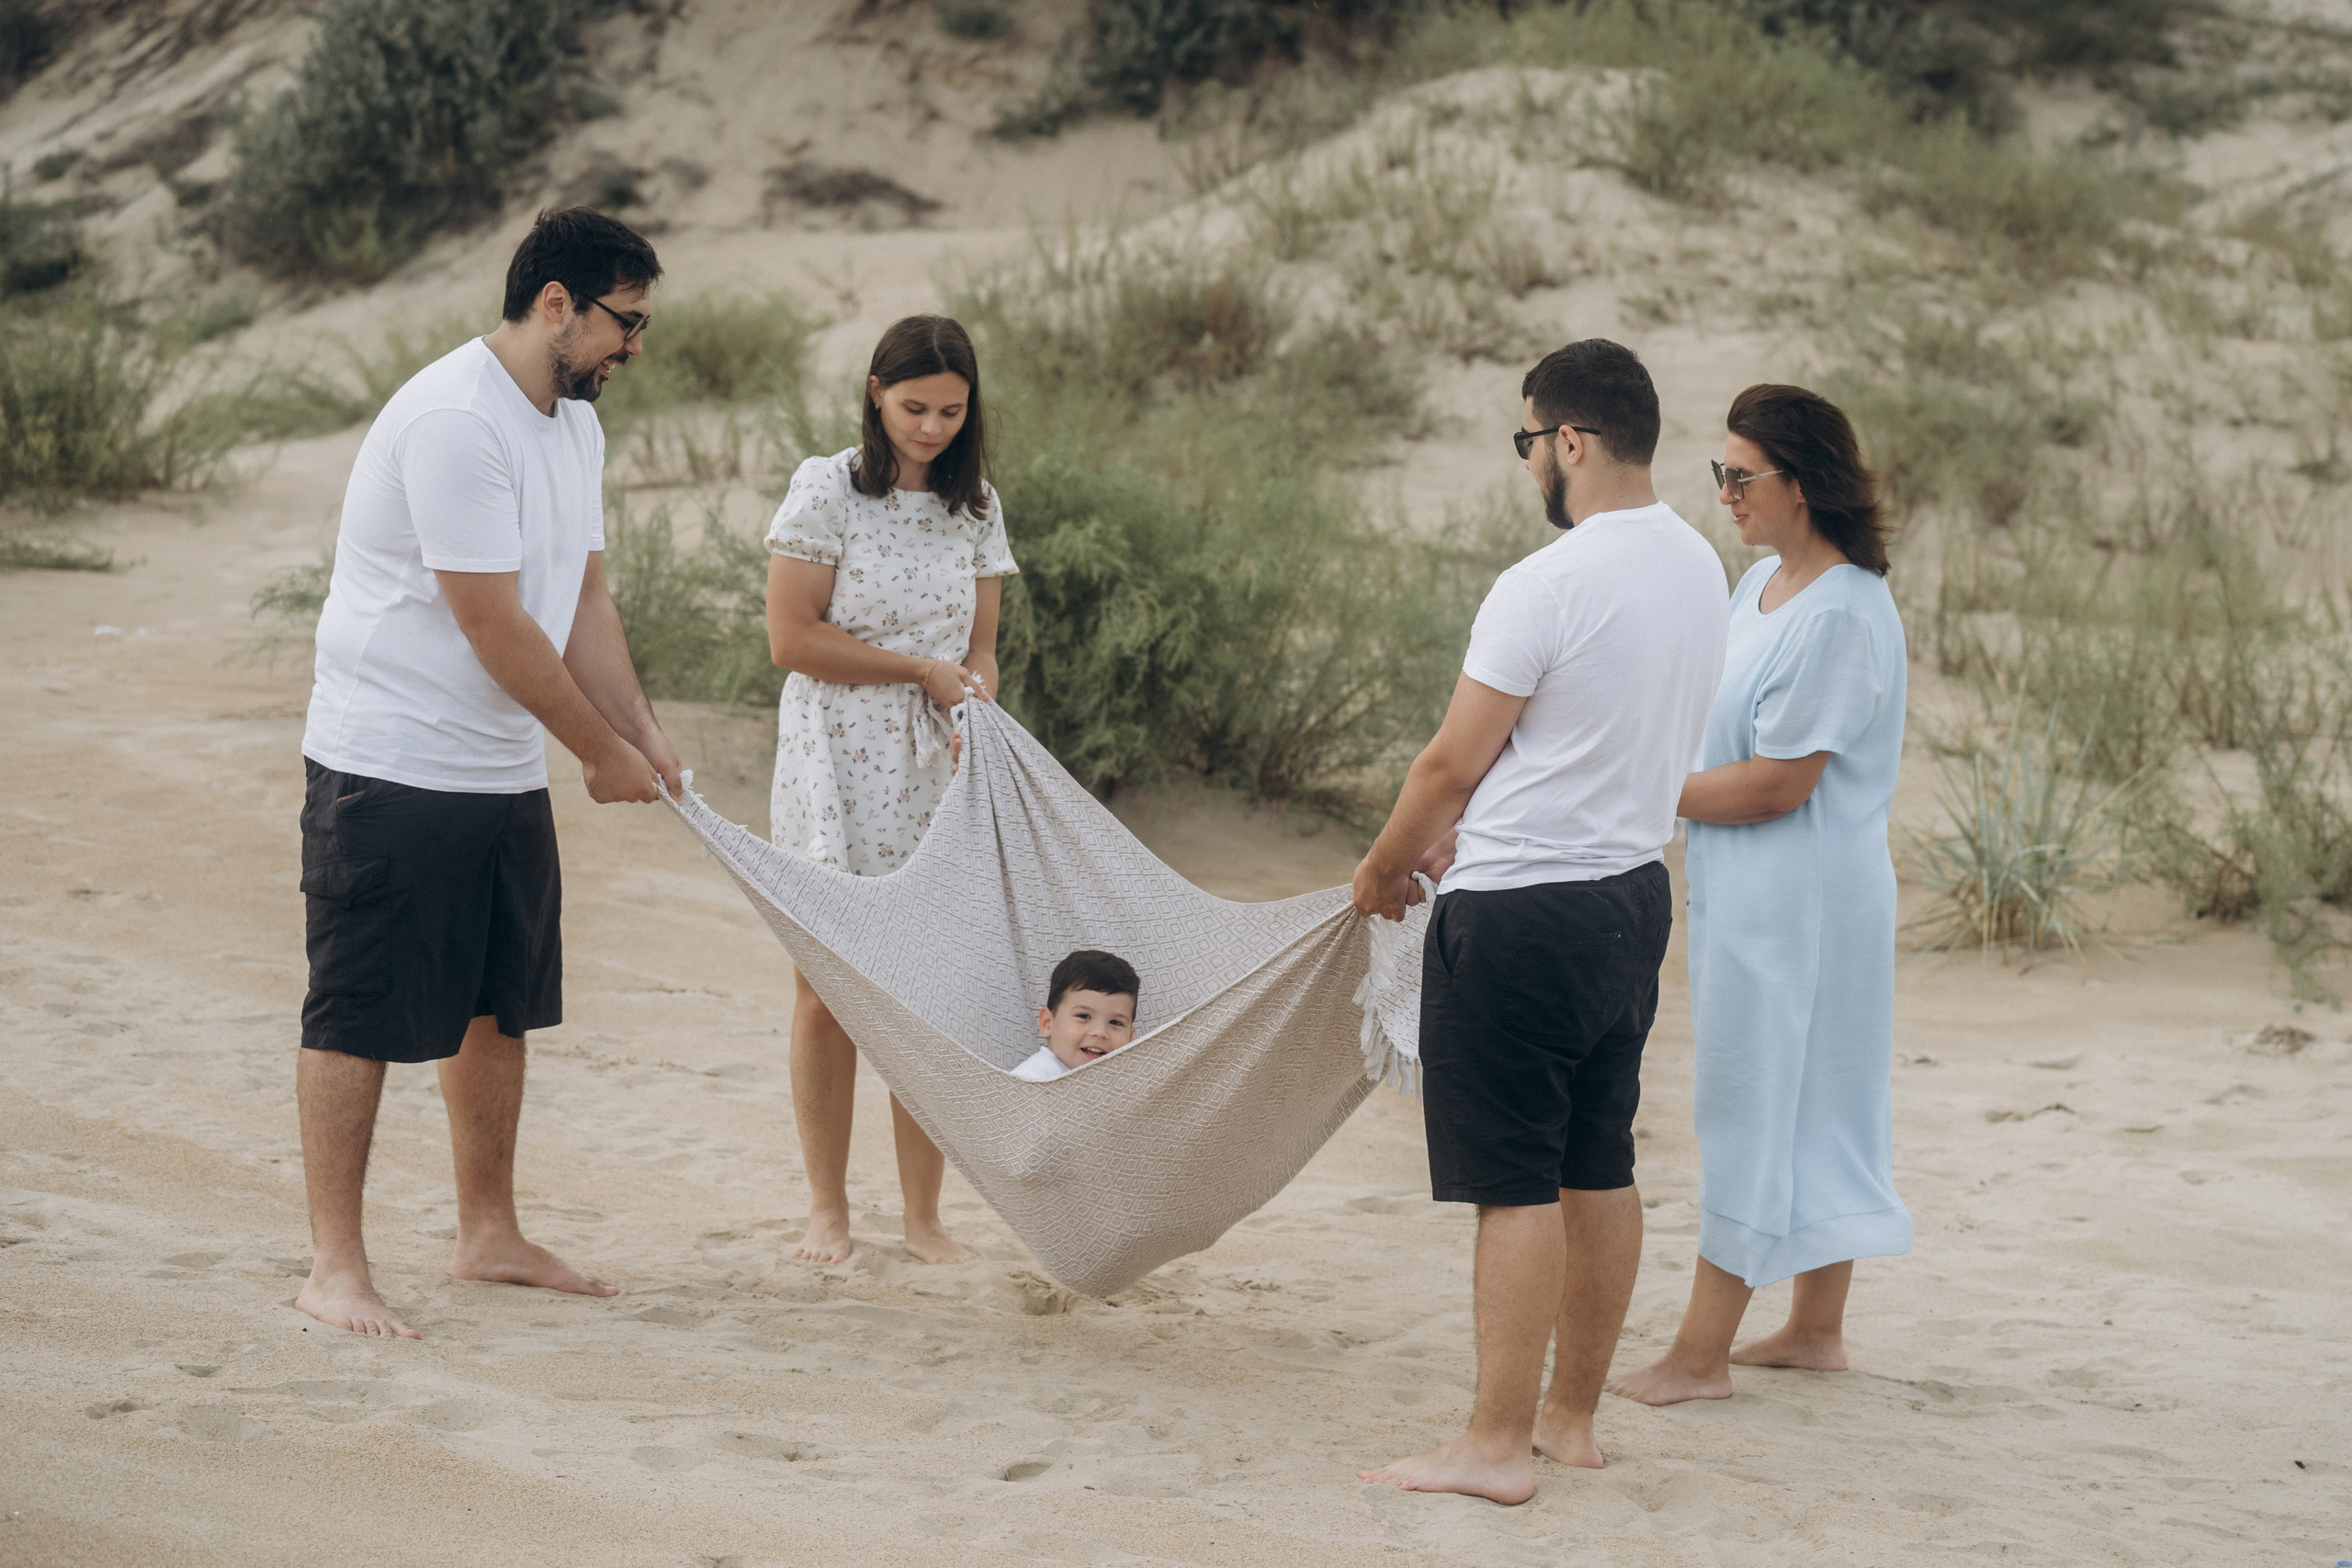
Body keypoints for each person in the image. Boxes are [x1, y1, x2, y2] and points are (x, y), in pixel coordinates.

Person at [293, 208, 684, 1340]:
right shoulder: (459, 420)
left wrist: (643, 734)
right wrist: (598, 755)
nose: (634, 347)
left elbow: (584, 600)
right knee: (357, 1010)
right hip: (390, 760)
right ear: (555, 302)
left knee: (491, 1007)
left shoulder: (574, 423)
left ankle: (487, 1233)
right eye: (626, 322)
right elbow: (493, 624)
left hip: (497, 766)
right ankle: (334, 1268)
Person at [1350, 339, 1729, 1505]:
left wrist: (1378, 873)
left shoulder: (1544, 583)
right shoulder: (1699, 564)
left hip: (1518, 915)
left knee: (1512, 1183)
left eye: (1529, 443)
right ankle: (1569, 1420)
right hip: (1629, 896)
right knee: (1595, 1163)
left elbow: (1448, 762)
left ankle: (1494, 1444)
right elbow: (1589, 744)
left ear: (1569, 440)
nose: (1528, 468)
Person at [1607, 384, 1911, 1406]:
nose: (1725, 494)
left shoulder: (1840, 614)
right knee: (1810, 1097)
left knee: (1762, 1103)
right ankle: (1814, 1331)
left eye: (1743, 477)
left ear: (1805, 483)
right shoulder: (1767, 588)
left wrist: (1636, 791)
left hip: (1805, 905)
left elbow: (1780, 783)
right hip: (1758, 895)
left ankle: (1698, 1357)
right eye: (1720, 475)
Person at [764, 314, 1017, 1265]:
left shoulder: (977, 505)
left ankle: (923, 1218)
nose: (932, 428)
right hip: (833, 753)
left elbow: (981, 643)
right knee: (827, 988)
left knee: (930, 992)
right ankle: (827, 1208)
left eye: (952, 411)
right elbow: (791, 639)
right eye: (914, 407)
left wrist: (973, 699)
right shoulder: (826, 487)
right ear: (875, 392)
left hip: (939, 761)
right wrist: (918, 673)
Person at [1012, 950, 1141, 1082]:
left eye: (1115, 1022)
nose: (1100, 1032)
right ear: (1047, 1023)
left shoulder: (1122, 1083)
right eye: (1084, 1016)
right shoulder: (1033, 1080)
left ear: (1130, 1038)